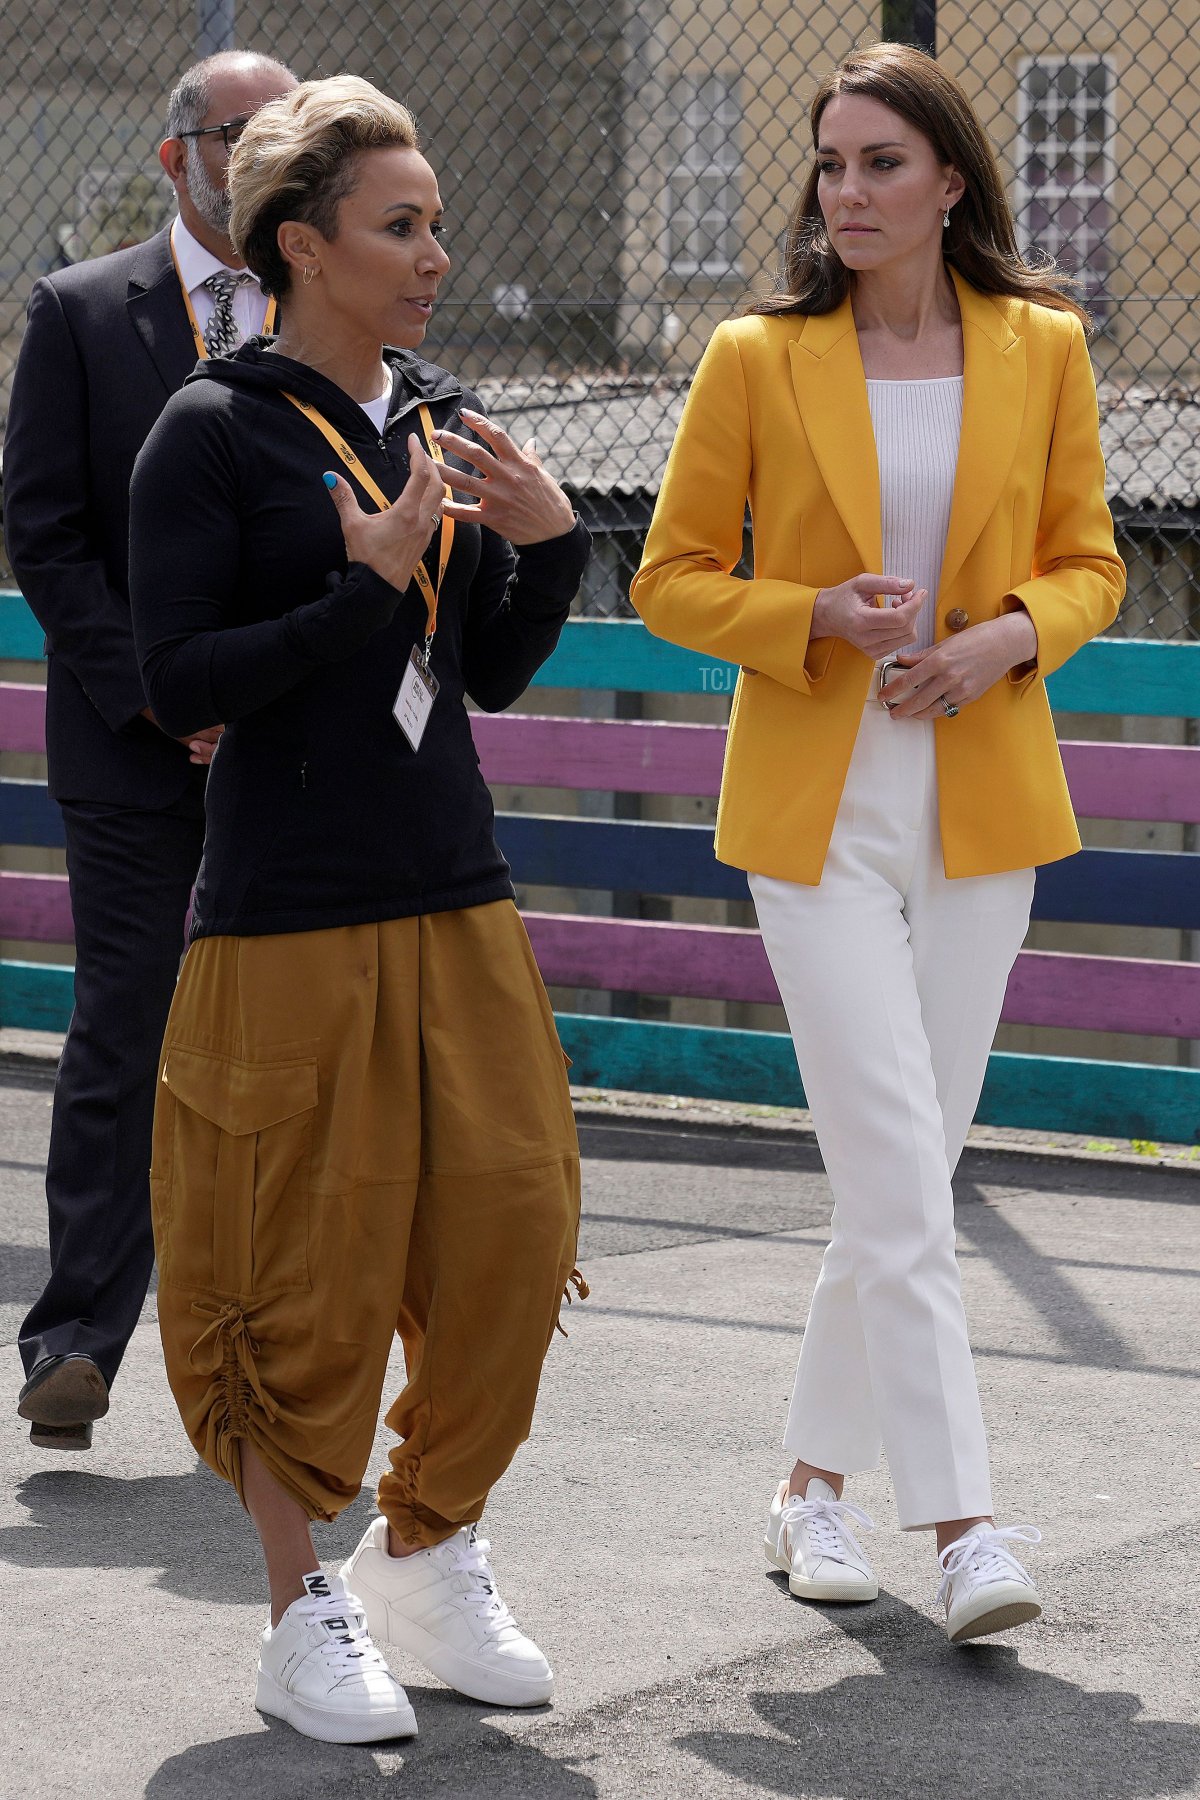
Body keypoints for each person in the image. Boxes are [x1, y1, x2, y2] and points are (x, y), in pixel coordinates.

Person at [631, 42, 1124, 1645]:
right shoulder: (756, 358)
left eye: (880, 166)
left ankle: (807, 1488)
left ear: (951, 185)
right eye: (832, 166)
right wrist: (817, 615)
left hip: (981, 800)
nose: (846, 192)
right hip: (814, 804)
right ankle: (968, 1525)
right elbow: (673, 578)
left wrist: (1006, 644)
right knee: (904, 1175)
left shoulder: (1042, 347)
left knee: (898, 1171)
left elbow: (1091, 566)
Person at [128, 76, 590, 1744]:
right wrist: (358, 587)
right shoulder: (212, 431)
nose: (435, 256)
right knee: (288, 1274)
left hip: (454, 894)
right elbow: (176, 676)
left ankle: (431, 1554)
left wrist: (542, 550)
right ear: (302, 244)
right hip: (283, 915)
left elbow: (482, 670)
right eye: (400, 228)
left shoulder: (440, 413)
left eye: (437, 224)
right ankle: (295, 1606)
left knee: (511, 1232)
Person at [5, 50, 297, 1452]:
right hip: (130, 747)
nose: (259, 156)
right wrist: (158, 694)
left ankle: (272, 1344)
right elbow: (45, 535)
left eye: (282, 134)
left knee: (291, 1037)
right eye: (239, 134)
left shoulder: (333, 306)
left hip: (296, 743)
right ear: (175, 154)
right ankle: (74, 1340)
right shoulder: (76, 311)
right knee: (130, 1021)